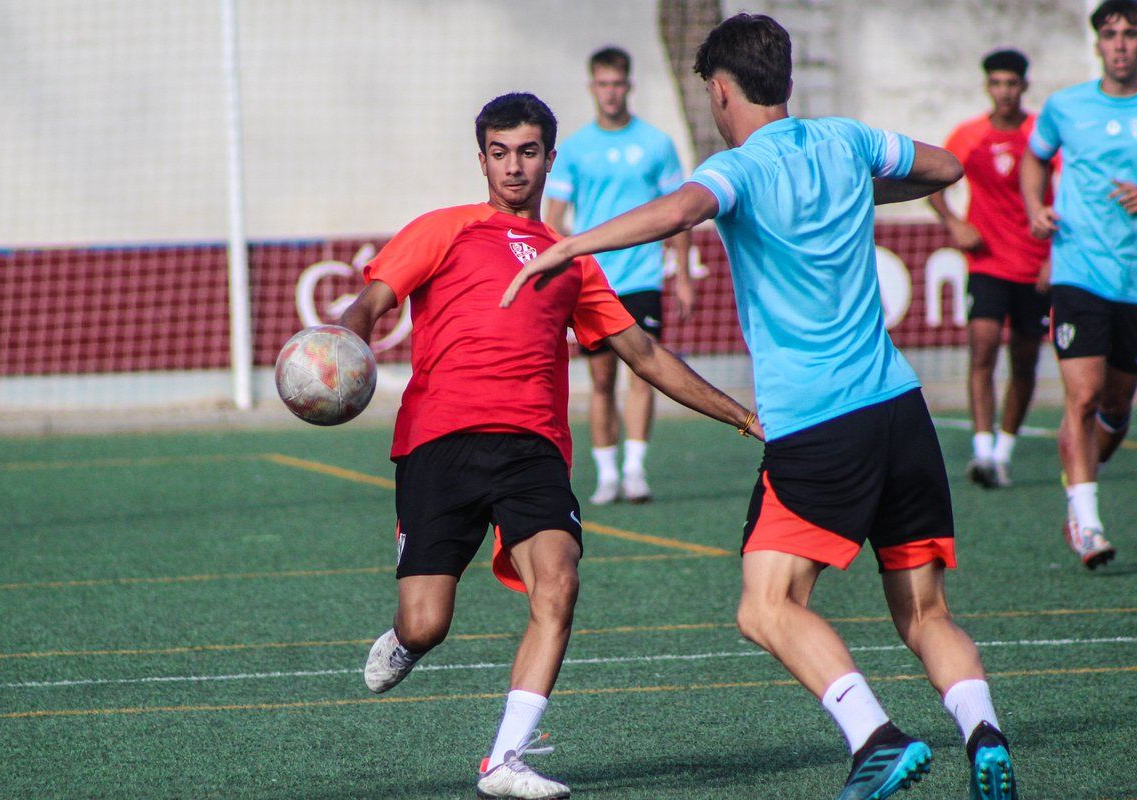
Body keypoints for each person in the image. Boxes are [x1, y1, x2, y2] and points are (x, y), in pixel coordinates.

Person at [504, 14, 1017, 800]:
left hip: (818, 424)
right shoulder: (845, 139)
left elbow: (680, 210)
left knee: (767, 606)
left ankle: (875, 738)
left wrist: (571, 245)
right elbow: (945, 167)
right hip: (900, 408)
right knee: (925, 614)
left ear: (720, 90)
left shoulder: (739, 168)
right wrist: (860, 192)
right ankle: (985, 735)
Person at [340, 92, 761, 800]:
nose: (514, 167)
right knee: (428, 621)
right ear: (482, 161)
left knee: (559, 582)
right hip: (439, 441)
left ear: (550, 159)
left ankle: (504, 760)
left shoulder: (572, 261)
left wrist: (742, 416)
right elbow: (369, 305)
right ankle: (407, 641)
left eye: (528, 152)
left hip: (532, 448)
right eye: (500, 153)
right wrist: (337, 354)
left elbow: (644, 355)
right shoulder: (443, 229)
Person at [1020, 0, 1137, 570]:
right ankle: (1086, 522)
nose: (1120, 43)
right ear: (1097, 44)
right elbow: (1035, 158)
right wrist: (1036, 208)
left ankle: (1082, 476)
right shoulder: (1066, 106)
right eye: (1111, 33)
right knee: (1084, 395)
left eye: (1130, 33)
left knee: (1115, 406)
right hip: (1077, 269)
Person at [544, 46, 695, 505]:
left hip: (643, 277)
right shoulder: (574, 149)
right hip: (594, 281)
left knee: (645, 373)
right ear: (592, 87)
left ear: (628, 85)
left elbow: (678, 211)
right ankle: (607, 474)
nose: (610, 92)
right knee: (601, 380)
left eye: (617, 83)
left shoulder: (656, 144)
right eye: (603, 84)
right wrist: (561, 270)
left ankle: (634, 472)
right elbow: (554, 219)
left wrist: (682, 275)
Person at [929, 49, 1056, 489]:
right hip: (986, 262)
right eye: (997, 83)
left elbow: (1070, 190)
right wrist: (953, 222)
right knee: (982, 350)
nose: (1004, 92)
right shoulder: (969, 135)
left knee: (1024, 361)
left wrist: (1055, 256)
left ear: (1024, 86)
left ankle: (1004, 453)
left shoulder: (1042, 134)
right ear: (988, 86)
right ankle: (982, 452)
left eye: (1011, 83)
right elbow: (935, 180)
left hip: (1034, 265)